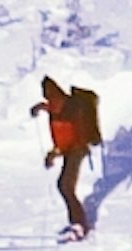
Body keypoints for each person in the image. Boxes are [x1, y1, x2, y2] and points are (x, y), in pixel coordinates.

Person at [29, 77, 91, 241]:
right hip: (70, 149)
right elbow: (62, 137)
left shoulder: (67, 106)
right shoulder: (56, 106)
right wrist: (54, 153)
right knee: (64, 186)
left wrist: (42, 107)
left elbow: (63, 114)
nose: (47, 97)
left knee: (66, 186)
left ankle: (79, 226)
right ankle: (76, 223)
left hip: (77, 149)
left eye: (48, 94)